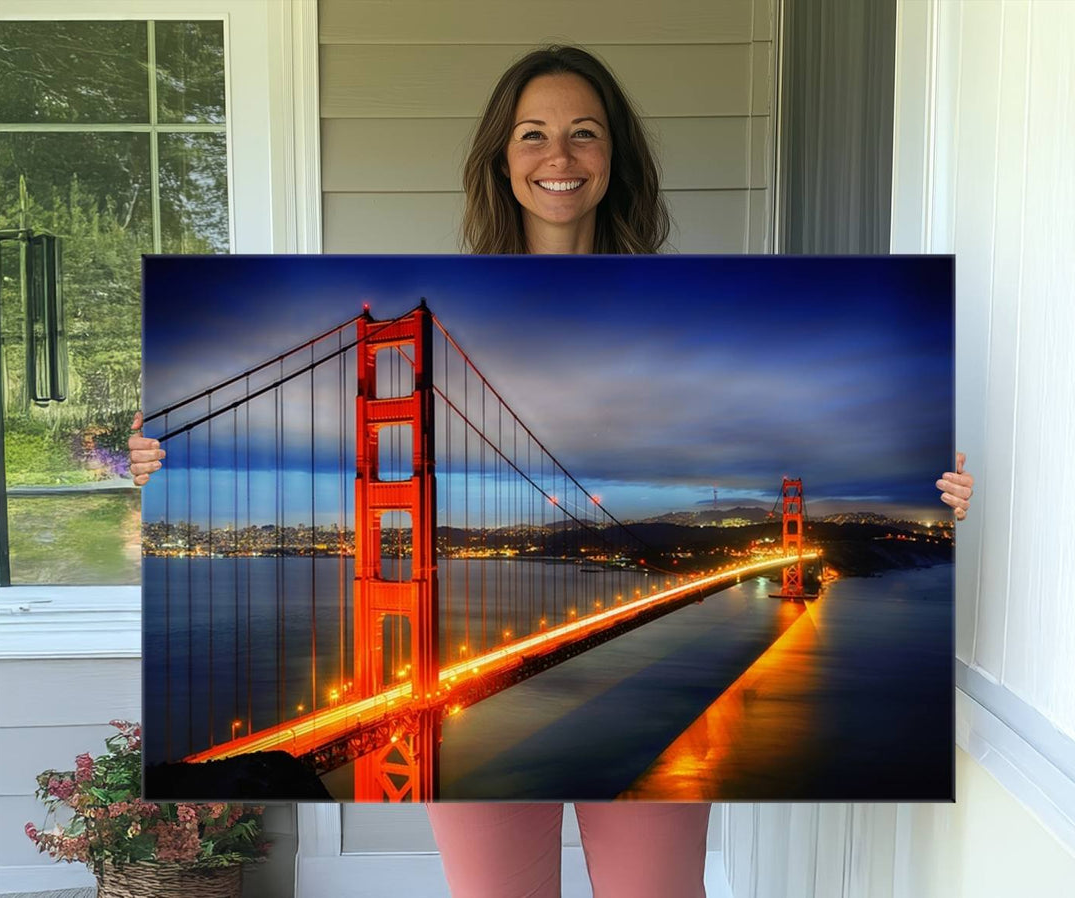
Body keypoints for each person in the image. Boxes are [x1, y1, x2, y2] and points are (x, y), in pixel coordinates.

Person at [129, 45, 974, 898]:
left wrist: (940, 503)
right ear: (502, 157)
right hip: (413, 703)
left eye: (584, 134)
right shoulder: (443, 288)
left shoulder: (678, 300)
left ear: (615, 158)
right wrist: (155, 464)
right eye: (532, 135)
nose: (559, 157)